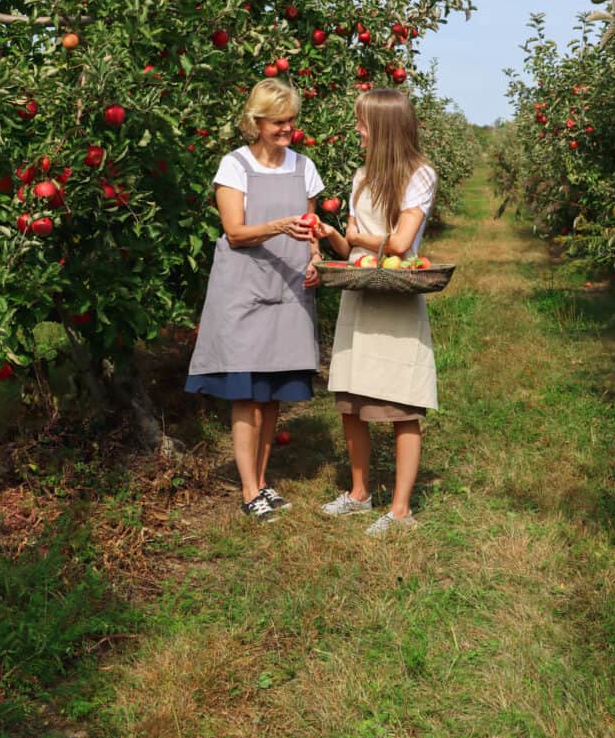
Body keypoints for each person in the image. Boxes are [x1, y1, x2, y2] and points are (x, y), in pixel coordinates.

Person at [186, 79, 325, 522]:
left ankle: (262, 481)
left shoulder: (305, 167)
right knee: (245, 395)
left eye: (291, 121)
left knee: (272, 395)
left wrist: (316, 256)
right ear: (257, 122)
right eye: (278, 122)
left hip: (288, 291)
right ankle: (249, 491)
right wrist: (279, 226)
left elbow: (312, 226)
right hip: (244, 292)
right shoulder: (235, 166)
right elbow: (235, 231)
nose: (287, 129)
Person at [316, 88, 438, 537]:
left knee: (402, 404)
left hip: (397, 297)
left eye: (363, 123)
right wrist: (334, 233)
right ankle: (360, 493)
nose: (357, 130)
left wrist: (365, 238)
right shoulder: (360, 176)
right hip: (359, 291)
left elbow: (402, 243)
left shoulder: (419, 175)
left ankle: (401, 510)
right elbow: (350, 243)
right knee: (352, 401)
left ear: (383, 126)